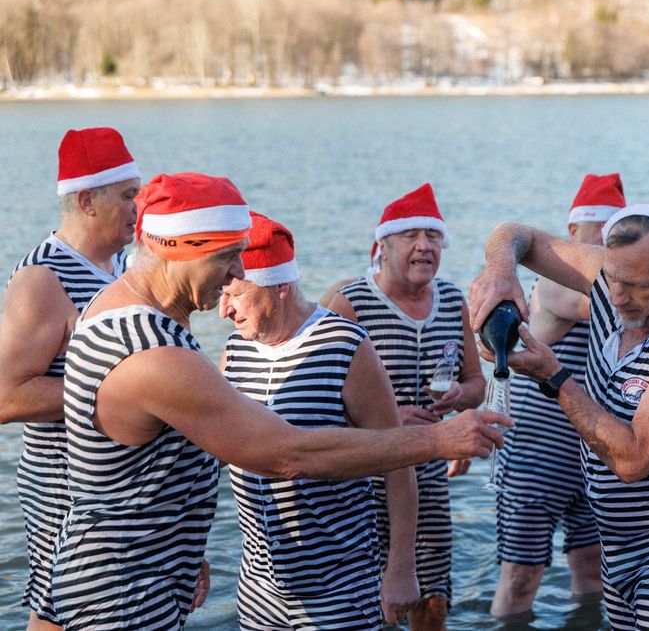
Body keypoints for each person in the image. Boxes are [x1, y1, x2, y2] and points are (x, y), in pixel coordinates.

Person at [47, 173, 508, 630]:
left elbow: (151, 470)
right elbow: (285, 455)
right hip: (125, 593)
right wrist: (436, 440)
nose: (237, 272)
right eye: (227, 258)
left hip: (135, 573)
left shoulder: (114, 308)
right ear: (176, 249)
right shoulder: (154, 350)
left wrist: (182, 553)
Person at [469, 204, 649, 630]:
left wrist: (553, 376)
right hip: (616, 542)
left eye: (638, 286)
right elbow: (516, 233)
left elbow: (632, 460)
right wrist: (500, 269)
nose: (617, 297)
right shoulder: (609, 278)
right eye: (613, 279)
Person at [219, 212, 421, 629]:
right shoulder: (235, 351)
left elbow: (398, 461)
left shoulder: (344, 345)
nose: (223, 309)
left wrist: (401, 569)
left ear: (279, 286)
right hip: (257, 591)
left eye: (235, 294)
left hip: (340, 588)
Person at [0, 127, 141, 630]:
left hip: (123, 492)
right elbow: (6, 397)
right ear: (87, 201)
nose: (139, 207)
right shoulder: (43, 278)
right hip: (67, 495)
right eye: (128, 196)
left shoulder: (124, 267)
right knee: (60, 614)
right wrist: (126, 396)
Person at [328, 183, 486, 631]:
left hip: (427, 473)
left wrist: (460, 397)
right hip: (361, 478)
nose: (424, 246)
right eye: (411, 236)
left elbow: (476, 384)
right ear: (384, 246)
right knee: (369, 601)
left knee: (432, 600)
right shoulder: (352, 303)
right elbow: (320, 397)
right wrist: (390, 417)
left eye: (433, 237)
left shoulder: (454, 301)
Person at [490, 173, 624, 617]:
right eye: (600, 230)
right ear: (572, 233)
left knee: (591, 572)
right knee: (521, 578)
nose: (609, 241)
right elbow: (599, 304)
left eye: (618, 232)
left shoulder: (625, 286)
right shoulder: (553, 285)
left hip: (594, 455)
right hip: (534, 458)